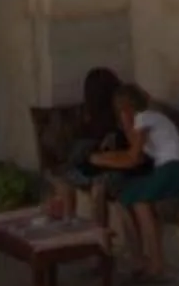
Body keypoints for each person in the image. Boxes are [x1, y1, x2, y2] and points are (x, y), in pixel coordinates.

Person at [85, 84, 179, 280]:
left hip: (174, 170)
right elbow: (134, 156)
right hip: (172, 171)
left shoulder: (144, 118)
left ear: (126, 107)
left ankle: (147, 261)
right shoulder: (144, 121)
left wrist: (99, 159)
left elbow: (132, 158)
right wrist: (104, 156)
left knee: (129, 196)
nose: (119, 114)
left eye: (120, 109)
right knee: (139, 202)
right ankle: (153, 263)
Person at [44, 65, 124, 213]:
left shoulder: (120, 114)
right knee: (63, 174)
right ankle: (67, 219)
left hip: (106, 168)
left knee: (67, 173)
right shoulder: (90, 115)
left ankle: (69, 220)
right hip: (93, 164)